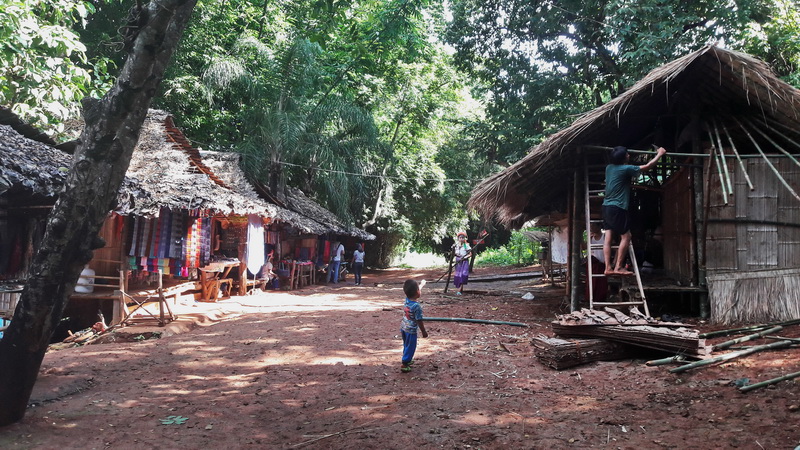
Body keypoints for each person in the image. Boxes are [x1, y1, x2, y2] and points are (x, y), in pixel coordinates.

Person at [603, 145, 667, 275]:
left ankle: (608, 268)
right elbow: (647, 167)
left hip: (606, 207)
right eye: (627, 154)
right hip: (617, 207)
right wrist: (660, 154)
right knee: (626, 236)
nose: (629, 155)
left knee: (608, 238)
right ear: (623, 158)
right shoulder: (626, 169)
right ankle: (619, 267)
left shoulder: (609, 168)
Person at [400, 279, 428, 373]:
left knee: (406, 344)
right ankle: (404, 364)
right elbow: (419, 320)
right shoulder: (417, 306)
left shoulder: (407, 300)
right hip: (411, 330)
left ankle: (406, 358)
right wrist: (424, 331)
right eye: (419, 289)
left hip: (404, 327)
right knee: (411, 346)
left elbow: (415, 290)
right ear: (417, 292)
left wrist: (421, 285)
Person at [586, 223, 608, 301]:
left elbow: (615, 249)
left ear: (599, 226)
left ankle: (600, 299)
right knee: (592, 282)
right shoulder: (591, 238)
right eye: (591, 226)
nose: (591, 228)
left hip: (603, 264)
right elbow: (585, 248)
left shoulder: (605, 236)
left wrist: (613, 262)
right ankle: (591, 299)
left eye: (594, 226)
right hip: (594, 264)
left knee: (601, 284)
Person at [452, 231, 472, 295]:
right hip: (458, 261)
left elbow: (470, 254)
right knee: (458, 275)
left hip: (464, 262)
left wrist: (465, 257)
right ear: (458, 238)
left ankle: (459, 291)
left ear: (465, 238)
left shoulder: (466, 246)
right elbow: (454, 253)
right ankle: (460, 290)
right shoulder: (456, 245)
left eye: (463, 237)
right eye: (460, 237)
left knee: (462, 275)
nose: (461, 239)